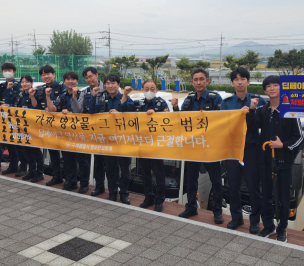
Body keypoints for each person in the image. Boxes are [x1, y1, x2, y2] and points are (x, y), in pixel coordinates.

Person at [246, 75, 303, 241]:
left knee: (283, 196)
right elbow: (251, 126)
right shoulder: (263, 110)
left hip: (283, 162)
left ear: (281, 88)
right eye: (268, 86)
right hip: (264, 160)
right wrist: (251, 109)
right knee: (266, 195)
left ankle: (282, 228)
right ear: (264, 90)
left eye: (275, 85)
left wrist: (283, 145)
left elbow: (299, 137)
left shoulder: (290, 109)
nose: (272, 88)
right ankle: (268, 225)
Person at [170, 68, 225, 224]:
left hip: (210, 146)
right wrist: (175, 108)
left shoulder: (215, 98)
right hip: (192, 146)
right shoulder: (189, 99)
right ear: (192, 82)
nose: (199, 82)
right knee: (191, 178)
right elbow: (181, 121)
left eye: (202, 79)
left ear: (207, 81)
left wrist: (209, 118)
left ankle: (217, 211)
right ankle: (191, 207)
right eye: (196, 79)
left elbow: (222, 120)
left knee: (215, 180)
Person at [221, 67, 267, 232]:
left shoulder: (259, 101)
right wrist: (237, 116)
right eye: (236, 79)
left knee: (253, 185)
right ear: (232, 83)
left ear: (248, 81)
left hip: (252, 149)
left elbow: (262, 125)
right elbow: (223, 125)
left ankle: (254, 220)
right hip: (233, 149)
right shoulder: (226, 103)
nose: (239, 82)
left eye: (243, 79)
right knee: (233, 185)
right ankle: (237, 218)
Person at [89, 73, 134, 204]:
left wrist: (119, 114)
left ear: (118, 85)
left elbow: (129, 112)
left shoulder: (126, 98)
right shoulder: (103, 99)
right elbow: (92, 112)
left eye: (113, 83)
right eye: (108, 83)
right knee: (110, 168)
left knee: (125, 169)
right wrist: (93, 96)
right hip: (108, 141)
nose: (110, 85)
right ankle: (113, 192)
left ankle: (124, 193)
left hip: (124, 141)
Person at [47, 71, 89, 193]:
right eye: (68, 79)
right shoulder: (62, 96)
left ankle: (84, 184)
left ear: (77, 81)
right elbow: (53, 109)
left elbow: (81, 111)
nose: (70, 81)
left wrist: (74, 99)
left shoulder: (83, 94)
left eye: (73, 79)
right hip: (65, 133)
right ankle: (71, 181)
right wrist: (48, 97)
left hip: (80, 133)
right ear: (64, 82)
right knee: (67, 158)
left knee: (82, 159)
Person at [134, 79, 170, 212]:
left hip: (156, 144)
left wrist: (156, 116)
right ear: (142, 90)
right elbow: (127, 115)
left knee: (159, 173)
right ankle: (148, 197)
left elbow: (168, 121)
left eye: (152, 88)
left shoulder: (162, 103)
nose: (149, 91)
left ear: (157, 90)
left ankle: (160, 200)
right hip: (142, 144)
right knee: (145, 172)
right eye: (147, 88)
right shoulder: (138, 103)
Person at [32, 65, 66, 186]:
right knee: (52, 151)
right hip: (47, 125)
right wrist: (32, 96)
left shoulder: (62, 87)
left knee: (66, 153)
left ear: (54, 74)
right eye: (43, 74)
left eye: (48, 74)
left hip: (62, 125)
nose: (46, 76)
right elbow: (36, 107)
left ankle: (71, 179)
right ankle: (57, 176)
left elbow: (62, 105)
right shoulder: (40, 89)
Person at [75, 67, 106, 196]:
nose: (89, 79)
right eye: (86, 77)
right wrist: (73, 96)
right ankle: (84, 184)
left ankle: (100, 187)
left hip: (104, 131)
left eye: (91, 76)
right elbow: (77, 110)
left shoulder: (108, 89)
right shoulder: (84, 92)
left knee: (100, 160)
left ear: (97, 75)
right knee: (83, 158)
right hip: (87, 130)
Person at [14, 75, 45, 182]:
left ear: (31, 82)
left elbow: (36, 107)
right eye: (22, 82)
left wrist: (32, 96)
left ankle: (39, 173)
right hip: (23, 127)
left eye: (27, 81)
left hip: (34, 127)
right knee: (27, 150)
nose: (24, 84)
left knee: (36, 151)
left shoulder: (35, 93)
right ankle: (31, 171)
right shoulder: (20, 94)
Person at [0, 62, 21, 175]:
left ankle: (21, 166)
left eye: (9, 70)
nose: (7, 72)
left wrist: (9, 90)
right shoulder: (1, 85)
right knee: (9, 143)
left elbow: (14, 102)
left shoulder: (18, 85)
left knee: (17, 144)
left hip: (15, 118)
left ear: (14, 72)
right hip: (3, 118)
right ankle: (13, 165)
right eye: (5, 70)